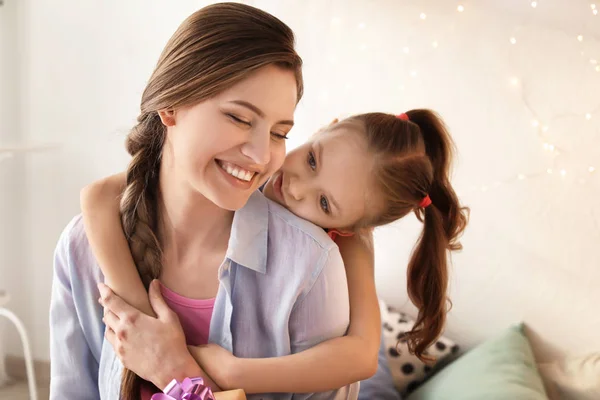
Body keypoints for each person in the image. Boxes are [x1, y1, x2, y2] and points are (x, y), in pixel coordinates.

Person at [50, 3, 364, 400]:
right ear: (170, 104)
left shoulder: (309, 265)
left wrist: (175, 372)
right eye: (239, 118)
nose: (261, 156)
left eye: (279, 133)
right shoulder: (81, 250)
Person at [84, 108, 469, 397]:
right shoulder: (253, 163)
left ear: (348, 227)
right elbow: (98, 195)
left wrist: (235, 372)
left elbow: (362, 356)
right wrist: (138, 312)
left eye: (324, 203)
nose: (298, 187)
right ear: (323, 127)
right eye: (313, 159)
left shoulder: (342, 247)